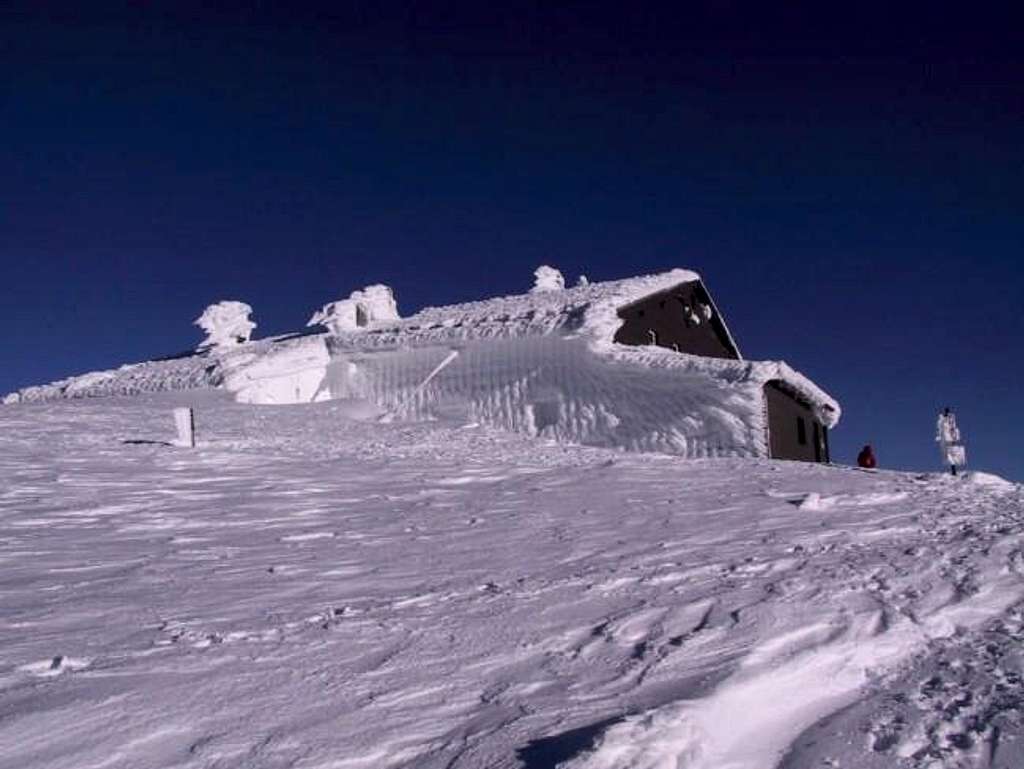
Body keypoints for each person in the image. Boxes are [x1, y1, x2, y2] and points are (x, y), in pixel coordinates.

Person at [936, 407, 967, 475]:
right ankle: (953, 469)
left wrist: (955, 437)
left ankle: (954, 470)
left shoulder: (951, 418)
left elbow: (953, 427)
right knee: (948, 454)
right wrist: (939, 436)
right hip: (945, 438)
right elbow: (939, 428)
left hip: (950, 438)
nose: (946, 412)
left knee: (952, 453)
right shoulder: (941, 419)